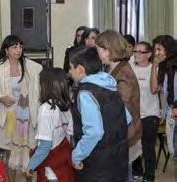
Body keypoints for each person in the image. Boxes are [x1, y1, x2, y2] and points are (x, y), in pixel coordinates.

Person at [69, 47, 131, 181]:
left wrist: (77, 156)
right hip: (119, 160)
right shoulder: (110, 86)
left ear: (80, 69)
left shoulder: (85, 93)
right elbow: (127, 118)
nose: (69, 72)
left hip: (97, 165)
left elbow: (94, 132)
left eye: (70, 68)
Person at [0, 35, 42, 182]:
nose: (18, 50)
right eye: (14, 47)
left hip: (26, 116)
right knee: (9, 152)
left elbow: (38, 89)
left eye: (20, 47)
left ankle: (28, 179)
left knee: (28, 152)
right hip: (9, 116)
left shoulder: (31, 67)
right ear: (6, 50)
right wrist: (1, 98)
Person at [95, 30, 141, 181]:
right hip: (118, 133)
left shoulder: (123, 73)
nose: (98, 54)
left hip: (124, 134)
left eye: (99, 50)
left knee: (122, 175)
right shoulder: (113, 68)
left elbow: (122, 108)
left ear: (109, 50)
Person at [25, 68, 74, 182]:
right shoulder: (67, 105)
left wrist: (31, 166)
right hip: (64, 157)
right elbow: (71, 132)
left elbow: (45, 145)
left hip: (50, 164)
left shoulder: (46, 109)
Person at [129, 41, 160, 181]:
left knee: (148, 148)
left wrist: (155, 65)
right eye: (135, 51)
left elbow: (154, 90)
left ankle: (149, 176)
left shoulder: (155, 69)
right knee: (133, 146)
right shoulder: (130, 67)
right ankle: (137, 172)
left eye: (140, 52)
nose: (136, 54)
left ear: (149, 55)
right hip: (133, 115)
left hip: (150, 115)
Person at [151, 35, 177, 160]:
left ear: (169, 49)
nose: (156, 53)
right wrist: (154, 66)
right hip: (171, 114)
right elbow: (154, 89)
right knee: (173, 151)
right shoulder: (162, 67)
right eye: (155, 50)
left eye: (159, 49)